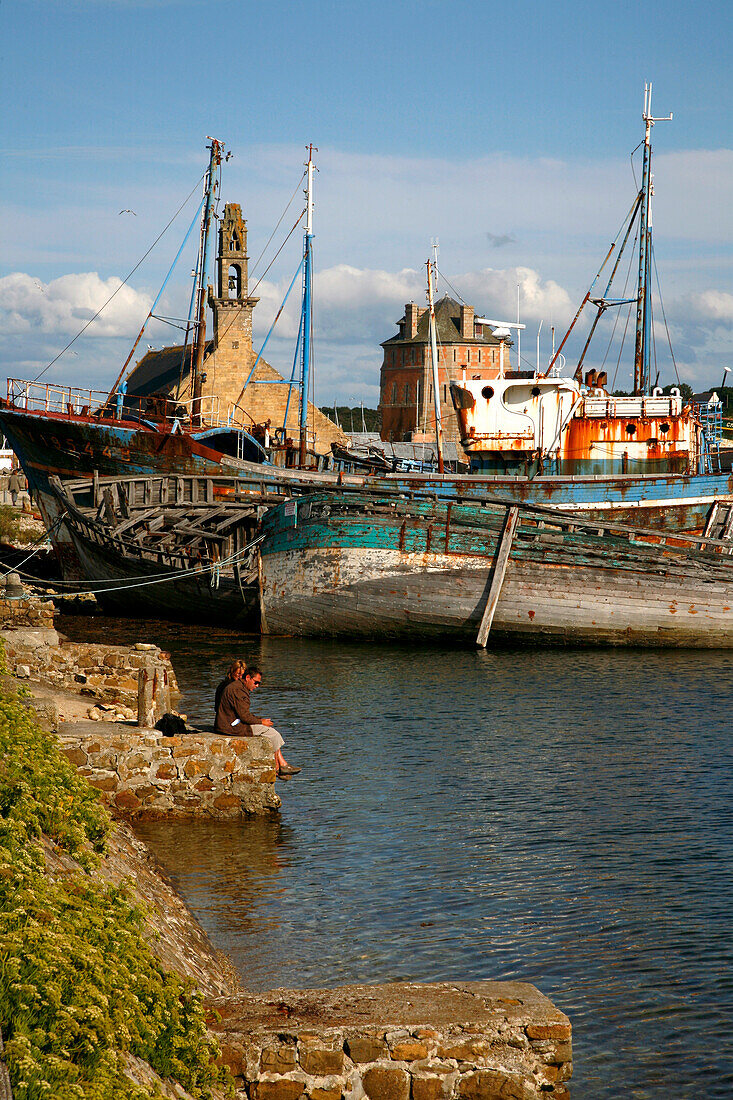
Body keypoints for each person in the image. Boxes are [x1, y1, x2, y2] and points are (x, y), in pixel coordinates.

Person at [215, 664, 300, 779]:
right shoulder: (238, 690)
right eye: (256, 682)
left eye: (259, 683)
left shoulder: (238, 687)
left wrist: (259, 720)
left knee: (268, 730)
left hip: (230, 723)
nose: (257, 686)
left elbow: (243, 713)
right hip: (232, 726)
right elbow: (244, 716)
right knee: (272, 733)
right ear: (248, 678)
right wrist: (261, 721)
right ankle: (279, 767)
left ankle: (281, 766)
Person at [214, 659, 246, 724]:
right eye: (238, 674)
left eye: (242, 675)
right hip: (229, 721)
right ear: (232, 672)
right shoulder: (232, 687)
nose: (240, 677)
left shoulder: (223, 684)